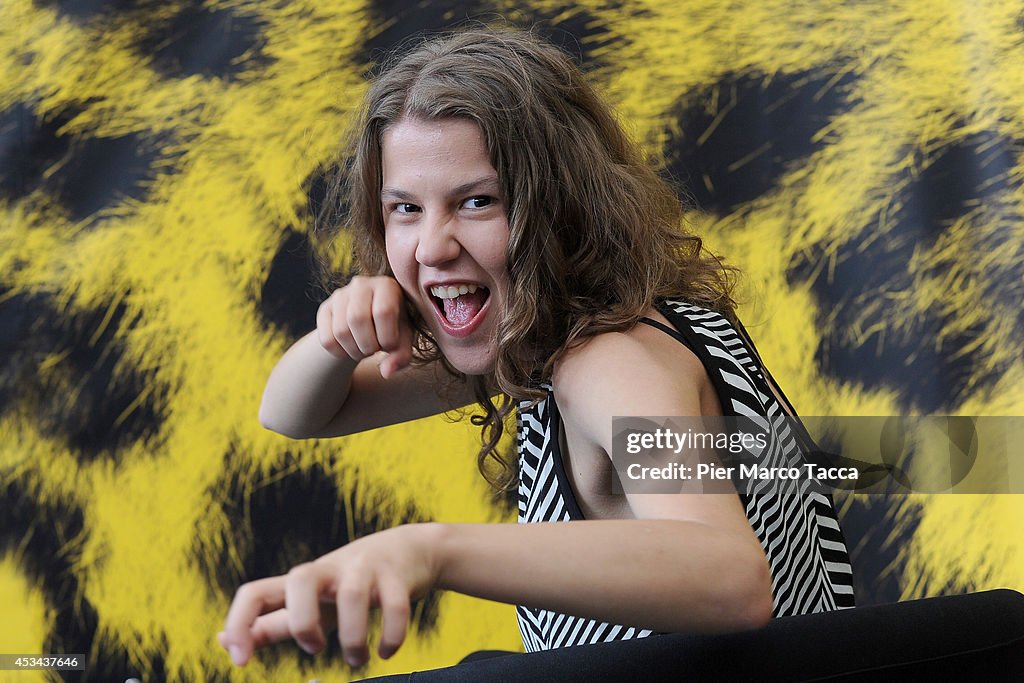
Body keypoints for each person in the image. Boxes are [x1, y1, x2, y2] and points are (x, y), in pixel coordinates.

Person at [217, 26, 855, 672]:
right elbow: (292, 412)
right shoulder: (549, 335)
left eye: (476, 201)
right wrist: (336, 340)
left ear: (561, 209)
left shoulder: (608, 363)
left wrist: (430, 551)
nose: (432, 245)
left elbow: (733, 580)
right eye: (405, 208)